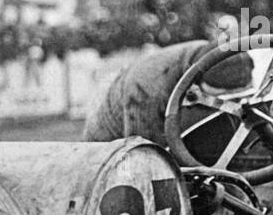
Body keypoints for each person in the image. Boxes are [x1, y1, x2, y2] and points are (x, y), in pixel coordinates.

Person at [83, 39, 253, 147]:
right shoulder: (148, 87)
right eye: (221, 98)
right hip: (108, 144)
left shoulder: (209, 53)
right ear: (199, 82)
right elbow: (144, 154)